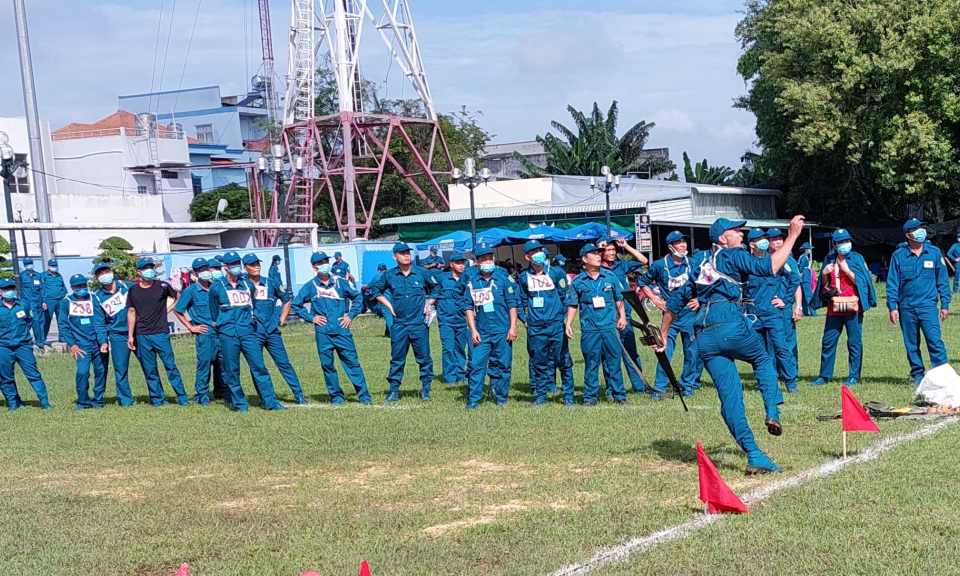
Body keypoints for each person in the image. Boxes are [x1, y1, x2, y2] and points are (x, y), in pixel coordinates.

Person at [653, 216, 805, 474]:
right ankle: (772, 411)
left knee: (730, 399)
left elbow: (675, 302)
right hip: (730, 323)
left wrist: (664, 335)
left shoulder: (699, 263)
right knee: (763, 360)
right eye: (736, 231)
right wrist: (792, 236)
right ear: (723, 238)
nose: (741, 234)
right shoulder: (732, 255)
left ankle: (754, 454)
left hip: (704, 336)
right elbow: (770, 266)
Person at [208, 251, 285, 411]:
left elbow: (254, 304)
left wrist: (252, 317)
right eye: (232, 264)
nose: (236, 266)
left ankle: (271, 402)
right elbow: (214, 312)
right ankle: (240, 404)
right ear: (226, 267)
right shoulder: (216, 288)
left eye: (238, 263)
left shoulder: (247, 285)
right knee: (232, 370)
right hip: (228, 334)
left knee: (259, 367)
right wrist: (224, 325)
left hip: (248, 333)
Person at [292, 252, 372, 405]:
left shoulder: (340, 282)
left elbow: (358, 297)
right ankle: (336, 396)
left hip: (342, 330)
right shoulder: (310, 286)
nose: (324, 264)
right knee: (327, 365)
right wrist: (312, 318)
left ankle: (364, 396)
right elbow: (296, 304)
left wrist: (350, 315)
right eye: (320, 262)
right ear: (314, 267)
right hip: (323, 333)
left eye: (326, 261)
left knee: (352, 363)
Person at [635, 230, 705, 397]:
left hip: (690, 315)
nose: (683, 245)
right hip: (670, 317)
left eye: (684, 242)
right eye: (679, 242)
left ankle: (686, 386)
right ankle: (660, 388)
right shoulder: (660, 265)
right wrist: (656, 300)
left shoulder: (693, 263)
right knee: (663, 350)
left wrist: (699, 299)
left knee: (692, 353)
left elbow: (705, 284)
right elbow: (642, 282)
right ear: (670, 247)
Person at [886, 218, 951, 385]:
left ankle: (942, 374)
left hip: (928, 306)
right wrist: (892, 307)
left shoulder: (934, 253)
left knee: (935, 341)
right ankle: (917, 375)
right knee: (911, 344)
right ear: (908, 234)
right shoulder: (898, 255)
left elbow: (942, 280)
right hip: (906, 307)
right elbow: (892, 282)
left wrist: (944, 304)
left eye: (921, 228)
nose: (921, 231)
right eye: (916, 229)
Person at [809, 229, 877, 386]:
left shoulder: (857, 258)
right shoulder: (829, 259)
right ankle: (824, 375)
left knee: (854, 341)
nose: (844, 245)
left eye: (846, 241)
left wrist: (848, 271)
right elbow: (823, 286)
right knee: (828, 340)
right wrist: (825, 274)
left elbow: (864, 282)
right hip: (834, 306)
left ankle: (853, 375)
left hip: (853, 307)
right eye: (840, 242)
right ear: (834, 245)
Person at [370, 243, 436, 402]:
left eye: (408, 252)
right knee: (397, 358)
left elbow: (436, 288)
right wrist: (388, 305)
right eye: (402, 253)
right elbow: (375, 291)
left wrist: (429, 302)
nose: (406, 255)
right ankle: (393, 391)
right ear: (395, 256)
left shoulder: (421, 272)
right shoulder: (389, 275)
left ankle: (426, 390)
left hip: (418, 323)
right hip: (399, 324)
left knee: (424, 358)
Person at [565, 243, 629, 406]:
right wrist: (568, 324)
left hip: (609, 328)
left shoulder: (610, 277)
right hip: (590, 330)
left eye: (599, 254)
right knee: (591, 364)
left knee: (614, 362)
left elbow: (619, 298)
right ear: (584, 259)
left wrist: (622, 317)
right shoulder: (578, 282)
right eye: (593, 254)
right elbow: (573, 304)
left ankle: (619, 395)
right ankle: (590, 398)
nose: (598, 256)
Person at [126, 258, 190, 407]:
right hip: (142, 334)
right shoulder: (133, 290)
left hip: (161, 333)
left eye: (151, 267)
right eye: (146, 268)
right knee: (150, 369)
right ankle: (157, 399)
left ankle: (182, 397)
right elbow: (131, 311)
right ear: (139, 272)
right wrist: (130, 335)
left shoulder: (162, 286)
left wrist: (168, 309)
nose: (150, 270)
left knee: (170, 366)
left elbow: (178, 297)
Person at [517, 240, 575, 405]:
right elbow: (520, 301)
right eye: (534, 251)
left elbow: (565, 298)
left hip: (556, 325)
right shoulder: (523, 277)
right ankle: (541, 396)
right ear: (527, 256)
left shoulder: (556, 273)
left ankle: (569, 396)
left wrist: (559, 317)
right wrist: (525, 320)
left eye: (540, 250)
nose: (539, 254)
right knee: (539, 362)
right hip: (535, 327)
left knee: (563, 361)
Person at [243, 254, 306, 404]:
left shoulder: (270, 283)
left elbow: (286, 300)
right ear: (245, 267)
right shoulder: (242, 285)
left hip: (271, 330)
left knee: (284, 363)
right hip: (253, 332)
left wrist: (282, 318)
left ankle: (299, 395)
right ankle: (264, 397)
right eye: (252, 264)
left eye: (258, 263)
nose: (256, 266)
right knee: (257, 366)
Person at [462, 242, 518, 409]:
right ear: (477, 262)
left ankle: (501, 398)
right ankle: (473, 400)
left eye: (490, 258)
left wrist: (513, 327)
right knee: (476, 365)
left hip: (502, 330)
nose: (488, 262)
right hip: (482, 331)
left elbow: (512, 305)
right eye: (484, 259)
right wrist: (473, 330)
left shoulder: (502, 279)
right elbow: (468, 307)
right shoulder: (472, 282)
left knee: (504, 365)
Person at [743, 228, 799, 394]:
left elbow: (794, 278)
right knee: (760, 353)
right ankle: (766, 384)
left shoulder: (774, 260)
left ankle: (791, 383)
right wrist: (745, 308)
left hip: (773, 313)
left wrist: (786, 300)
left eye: (764, 238)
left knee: (781, 348)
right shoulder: (746, 263)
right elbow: (741, 289)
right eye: (759, 239)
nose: (764, 241)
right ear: (752, 244)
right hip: (754, 316)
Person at [598, 236, 649, 395]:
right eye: (608, 250)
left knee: (630, 352)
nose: (612, 253)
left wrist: (626, 246)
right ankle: (611, 388)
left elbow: (643, 260)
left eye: (613, 250)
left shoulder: (621, 265)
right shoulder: (597, 269)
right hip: (606, 317)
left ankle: (639, 386)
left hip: (624, 316)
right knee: (609, 355)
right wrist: (598, 249)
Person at [173, 258, 226, 405]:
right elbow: (178, 310)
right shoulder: (190, 291)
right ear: (195, 273)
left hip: (221, 331)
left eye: (207, 269)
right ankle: (202, 394)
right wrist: (190, 327)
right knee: (205, 363)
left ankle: (222, 391)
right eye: (201, 270)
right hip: (205, 333)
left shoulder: (217, 287)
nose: (205, 272)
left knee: (223, 363)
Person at [0, 278, 51, 410]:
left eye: (11, 288)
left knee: (33, 374)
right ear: (1, 292)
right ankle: (13, 403)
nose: (9, 291)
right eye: (6, 289)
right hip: (4, 347)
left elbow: (29, 321)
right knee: (6, 377)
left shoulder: (23, 305)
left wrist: (21, 334)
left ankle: (45, 402)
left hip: (22, 346)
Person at [59, 274, 109, 409]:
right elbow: (63, 326)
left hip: (98, 343)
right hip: (81, 345)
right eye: (78, 286)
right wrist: (72, 345)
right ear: (72, 287)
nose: (81, 288)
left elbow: (100, 322)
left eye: (83, 285)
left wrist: (103, 341)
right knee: (82, 372)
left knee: (101, 371)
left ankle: (98, 400)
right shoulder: (66, 302)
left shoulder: (94, 299)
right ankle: (83, 401)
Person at [94, 262, 136, 406]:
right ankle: (125, 400)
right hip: (117, 335)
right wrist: (103, 341)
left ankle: (157, 397)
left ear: (112, 272)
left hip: (137, 332)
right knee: (120, 369)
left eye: (106, 271)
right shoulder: (98, 297)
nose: (104, 275)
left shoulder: (128, 287)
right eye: (100, 273)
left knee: (149, 366)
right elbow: (99, 323)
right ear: (96, 277)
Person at [767, 228, 803, 391]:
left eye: (781, 239)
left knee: (788, 342)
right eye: (774, 239)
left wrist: (798, 306)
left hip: (784, 308)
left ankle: (791, 374)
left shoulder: (788, 259)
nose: (779, 242)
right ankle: (772, 376)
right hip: (767, 309)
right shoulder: (763, 260)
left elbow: (796, 284)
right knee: (769, 344)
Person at [427, 253, 470, 385]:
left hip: (462, 319)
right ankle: (450, 376)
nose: (461, 265)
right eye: (458, 263)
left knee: (460, 347)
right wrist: (427, 305)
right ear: (451, 264)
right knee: (448, 347)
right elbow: (435, 293)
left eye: (462, 263)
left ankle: (460, 373)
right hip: (446, 319)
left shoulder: (468, 279)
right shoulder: (442, 278)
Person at [19, 258, 46, 345]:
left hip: (39, 301)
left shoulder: (38, 275)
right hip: (29, 302)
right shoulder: (22, 276)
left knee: (42, 321)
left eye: (30, 263)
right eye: (27, 264)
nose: (29, 265)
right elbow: (20, 290)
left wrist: (44, 301)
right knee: (35, 320)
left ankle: (42, 339)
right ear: (24, 265)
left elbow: (42, 289)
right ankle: (37, 340)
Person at [41, 258, 67, 345]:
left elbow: (63, 287)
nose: (54, 267)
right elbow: (41, 289)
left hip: (60, 299)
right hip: (49, 300)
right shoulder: (43, 276)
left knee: (61, 319)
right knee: (47, 319)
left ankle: (62, 337)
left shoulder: (59, 276)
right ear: (48, 266)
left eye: (55, 265)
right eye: (52, 266)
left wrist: (65, 295)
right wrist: (43, 301)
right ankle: (43, 337)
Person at [368, 263, 394, 337]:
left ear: (379, 270)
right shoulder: (391, 275)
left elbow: (369, 286)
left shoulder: (377, 277)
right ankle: (387, 333)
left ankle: (393, 334)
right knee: (393, 316)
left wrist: (363, 288)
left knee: (388, 316)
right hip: (395, 298)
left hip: (385, 299)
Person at [798, 242, 818, 316]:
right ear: (806, 250)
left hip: (804, 278)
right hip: (805, 278)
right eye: (809, 249)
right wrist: (801, 273)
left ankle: (805, 312)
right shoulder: (804, 257)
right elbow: (801, 267)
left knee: (803, 297)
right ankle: (813, 312)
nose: (810, 250)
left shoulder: (803, 256)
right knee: (808, 296)